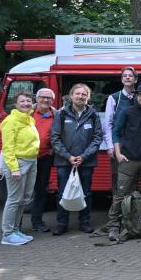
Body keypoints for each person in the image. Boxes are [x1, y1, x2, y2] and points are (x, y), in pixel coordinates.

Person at [106, 81, 141, 240]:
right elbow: (116, 132)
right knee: (121, 193)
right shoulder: (126, 112)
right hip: (128, 159)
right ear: (137, 96)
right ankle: (114, 226)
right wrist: (117, 153)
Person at [51, 83, 103, 236]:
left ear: (88, 97)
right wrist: (68, 157)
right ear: (71, 96)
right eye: (77, 94)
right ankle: (61, 224)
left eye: (84, 94)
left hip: (86, 162)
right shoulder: (61, 114)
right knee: (62, 193)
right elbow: (55, 138)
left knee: (86, 193)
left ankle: (85, 223)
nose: (80, 97)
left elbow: (97, 138)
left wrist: (84, 156)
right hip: (64, 161)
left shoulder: (93, 115)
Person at [0, 92, 40, 246]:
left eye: (28, 101)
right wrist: (14, 168)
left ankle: (16, 230)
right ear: (15, 104)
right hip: (18, 163)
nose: (26, 104)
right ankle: (8, 234)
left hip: (31, 162)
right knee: (14, 199)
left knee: (25, 199)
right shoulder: (10, 121)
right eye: (22, 101)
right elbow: (7, 148)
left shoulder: (29, 119)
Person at [104, 67, 138, 196]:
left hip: (135, 146)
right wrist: (110, 145)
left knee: (134, 178)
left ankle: (131, 211)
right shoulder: (114, 98)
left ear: (136, 79)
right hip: (119, 145)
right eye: (125, 76)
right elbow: (108, 123)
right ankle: (117, 211)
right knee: (118, 178)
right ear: (122, 79)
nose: (128, 77)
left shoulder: (140, 97)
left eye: (130, 76)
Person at [29, 88, 57, 233]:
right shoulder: (27, 113)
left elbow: (59, 134)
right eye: (42, 97)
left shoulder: (56, 115)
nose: (45, 100)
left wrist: (54, 148)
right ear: (37, 98)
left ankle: (37, 221)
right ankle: (16, 224)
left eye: (49, 98)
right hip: (27, 157)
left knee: (41, 190)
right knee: (23, 192)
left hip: (45, 157)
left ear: (52, 100)